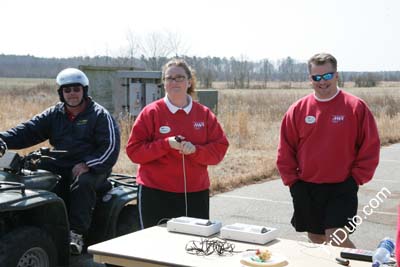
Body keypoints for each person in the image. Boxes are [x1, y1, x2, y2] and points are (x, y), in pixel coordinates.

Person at [0, 68, 120, 255]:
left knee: (83, 183)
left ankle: (76, 234)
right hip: (62, 162)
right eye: (67, 90)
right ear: (61, 93)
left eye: (76, 89)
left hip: (94, 166)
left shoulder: (99, 115)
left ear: (84, 90)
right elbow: (28, 130)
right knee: (24, 170)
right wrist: (3, 140)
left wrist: (88, 164)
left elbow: (110, 148)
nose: (72, 94)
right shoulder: (54, 113)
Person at [276, 53, 380, 248]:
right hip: (307, 187)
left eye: (327, 76)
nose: (322, 82)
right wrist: (292, 182)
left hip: (342, 187)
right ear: (310, 79)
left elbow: (370, 147)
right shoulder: (298, 109)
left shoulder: (355, 107)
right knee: (316, 238)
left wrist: (356, 179)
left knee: (335, 238)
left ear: (336, 75)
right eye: (316, 77)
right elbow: (285, 149)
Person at [126, 59, 229, 229]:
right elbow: (134, 152)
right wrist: (166, 144)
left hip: (195, 193)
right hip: (155, 192)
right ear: (164, 83)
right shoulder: (151, 112)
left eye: (180, 77)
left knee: (194, 247)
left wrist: (195, 150)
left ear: (189, 82)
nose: (174, 82)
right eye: (169, 78)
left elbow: (219, 150)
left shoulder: (203, 114)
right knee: (156, 247)